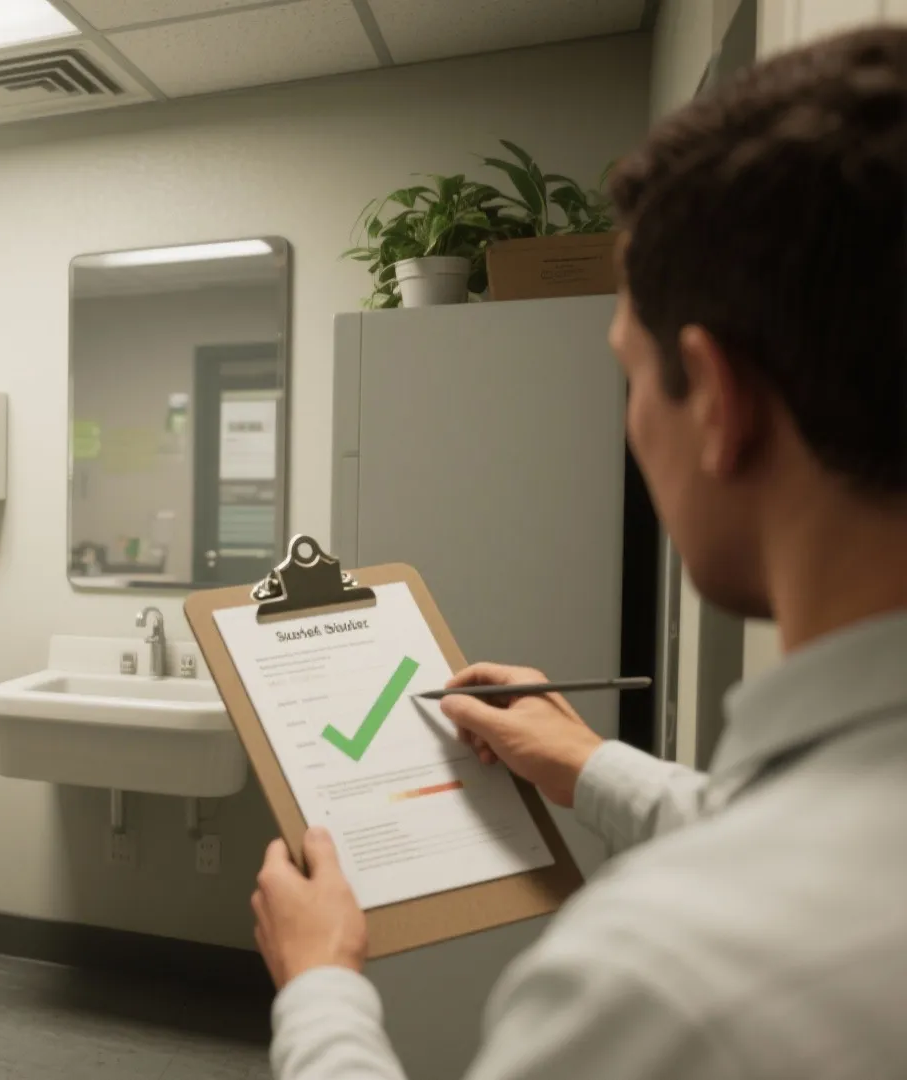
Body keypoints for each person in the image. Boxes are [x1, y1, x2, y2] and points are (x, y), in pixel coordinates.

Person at [250, 26, 907, 1080]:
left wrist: (321, 982)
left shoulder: (657, 977)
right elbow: (788, 827)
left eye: (629, 376)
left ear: (717, 402)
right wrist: (586, 762)